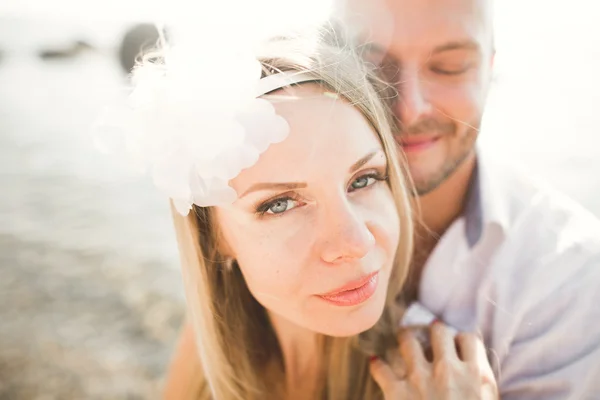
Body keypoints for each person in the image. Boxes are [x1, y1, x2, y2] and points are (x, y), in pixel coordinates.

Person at [96, 18, 500, 400]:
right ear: (214, 237)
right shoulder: (206, 353)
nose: (356, 243)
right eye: (280, 204)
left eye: (364, 179)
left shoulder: (438, 381)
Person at [335, 0, 600, 398]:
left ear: (488, 71)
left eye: (449, 67)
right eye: (372, 65)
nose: (409, 108)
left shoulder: (570, 271)